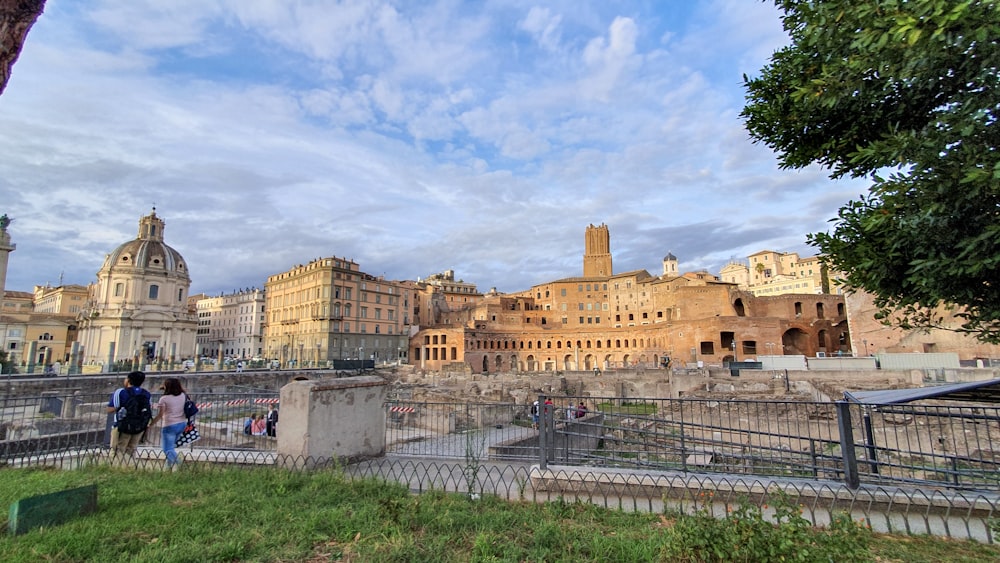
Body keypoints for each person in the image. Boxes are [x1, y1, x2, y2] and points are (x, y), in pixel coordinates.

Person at [105, 371, 152, 464]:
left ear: (129, 380)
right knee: (131, 449)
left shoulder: (121, 392)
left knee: (118, 449)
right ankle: (129, 467)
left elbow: (110, 409)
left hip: (122, 426)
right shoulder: (146, 394)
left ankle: (116, 468)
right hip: (139, 426)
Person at [150, 377, 189, 470]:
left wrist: (151, 424)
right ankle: (168, 468)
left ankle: (181, 466)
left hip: (169, 425)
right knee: (171, 448)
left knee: (167, 449)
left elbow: (160, 414)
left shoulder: (164, 399)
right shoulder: (183, 395)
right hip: (182, 423)